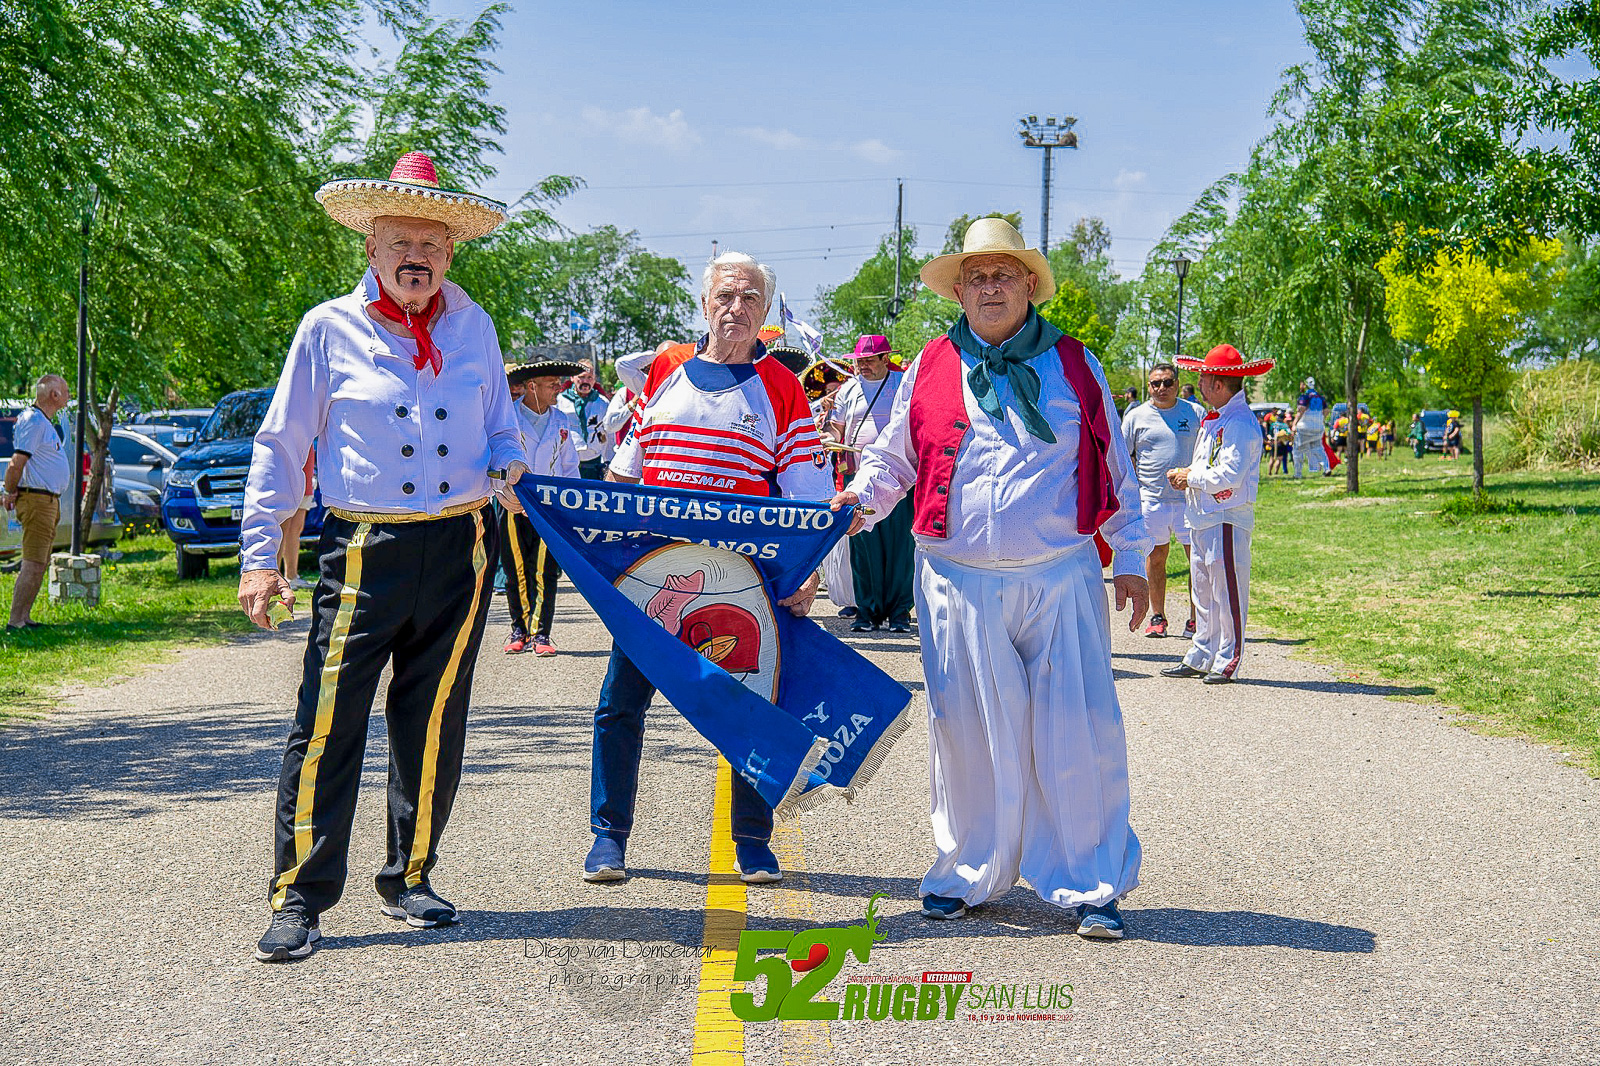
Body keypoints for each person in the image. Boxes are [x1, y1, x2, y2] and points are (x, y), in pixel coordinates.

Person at [238, 151, 528, 962]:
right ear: (370, 245)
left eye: (432, 245)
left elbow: (502, 425)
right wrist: (262, 556)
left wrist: (509, 462)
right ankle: (299, 894)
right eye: (400, 240)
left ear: (450, 252)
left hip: (464, 542)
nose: (416, 257)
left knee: (433, 719)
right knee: (328, 723)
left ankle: (412, 874)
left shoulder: (474, 326)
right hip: (364, 543)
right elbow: (282, 443)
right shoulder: (327, 327)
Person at [832, 218, 1151, 939]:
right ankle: (967, 871)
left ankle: (1092, 882)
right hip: (957, 578)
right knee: (966, 733)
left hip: (1060, 575)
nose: (989, 286)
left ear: (1030, 285)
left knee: (1078, 730)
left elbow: (1116, 473)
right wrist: (861, 500)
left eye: (1003, 273)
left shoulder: (1076, 364)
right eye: (975, 276)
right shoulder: (929, 364)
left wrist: (1128, 557)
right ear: (960, 290)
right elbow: (893, 459)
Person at [585, 251, 833, 886]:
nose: (737, 308)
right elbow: (623, 476)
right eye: (725, 296)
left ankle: (752, 841)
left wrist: (804, 573)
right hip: (654, 573)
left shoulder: (782, 389)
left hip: (741, 579)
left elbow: (806, 499)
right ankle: (608, 836)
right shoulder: (664, 374)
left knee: (748, 709)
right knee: (620, 703)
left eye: (751, 298)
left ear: (767, 310)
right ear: (704, 303)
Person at [1160, 344, 1271, 685]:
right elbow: (1210, 464)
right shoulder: (1218, 419)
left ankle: (1228, 659)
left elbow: (1230, 475)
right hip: (1206, 516)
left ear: (1219, 384)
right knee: (1204, 593)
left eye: (1204, 379)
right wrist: (1189, 472)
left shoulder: (1239, 423)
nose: (1201, 384)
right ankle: (1202, 653)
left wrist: (1188, 477)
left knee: (1227, 593)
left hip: (1225, 517)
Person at [827, 335, 913, 634]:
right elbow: (836, 429)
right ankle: (867, 610)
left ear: (884, 359)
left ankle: (899, 612)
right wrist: (829, 439)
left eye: (868, 360)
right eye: (858, 361)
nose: (862, 365)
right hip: (856, 476)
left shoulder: (903, 384)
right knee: (862, 544)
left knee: (900, 546)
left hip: (898, 477)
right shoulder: (848, 390)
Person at [502, 359, 582, 656]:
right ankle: (519, 629)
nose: (558, 389)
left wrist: (572, 502)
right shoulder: (507, 417)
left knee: (546, 571)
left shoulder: (560, 419)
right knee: (517, 570)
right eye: (552, 384)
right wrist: (507, 493)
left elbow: (569, 464)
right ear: (532, 387)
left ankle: (541, 633)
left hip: (550, 506)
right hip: (513, 502)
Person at [1121, 361, 1204, 639]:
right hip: (1152, 500)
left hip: (1189, 499)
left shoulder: (1194, 413)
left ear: (1177, 384)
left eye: (1167, 382)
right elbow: (1123, 456)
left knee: (1197, 560)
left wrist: (1192, 474)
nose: (1162, 388)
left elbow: (1207, 454)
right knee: (1156, 557)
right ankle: (1158, 616)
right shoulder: (1136, 416)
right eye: (1156, 383)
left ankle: (1196, 619)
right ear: (1149, 386)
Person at [2, 374, 71, 630]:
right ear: (53, 395)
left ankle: (24, 617)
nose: (68, 394)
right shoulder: (33, 420)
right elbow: (16, 462)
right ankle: (15, 621)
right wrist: (9, 492)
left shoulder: (43, 421)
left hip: (48, 501)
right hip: (37, 501)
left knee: (39, 562)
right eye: (65, 390)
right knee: (33, 562)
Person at [558, 359, 613, 480]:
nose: (586, 382)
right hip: (568, 461)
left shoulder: (602, 402)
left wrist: (609, 460)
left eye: (589, 377)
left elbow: (609, 432)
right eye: (582, 377)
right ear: (572, 378)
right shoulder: (560, 400)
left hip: (593, 461)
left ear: (595, 379)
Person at [1292, 377, 1329, 478]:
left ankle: (1297, 474)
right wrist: (1320, 419)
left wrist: (1294, 424)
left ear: (1305, 385)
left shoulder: (1304, 397)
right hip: (1318, 427)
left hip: (1304, 427)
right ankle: (1326, 468)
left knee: (1298, 450)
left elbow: (1301, 410)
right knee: (1318, 448)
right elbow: (1326, 411)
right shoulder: (1320, 398)